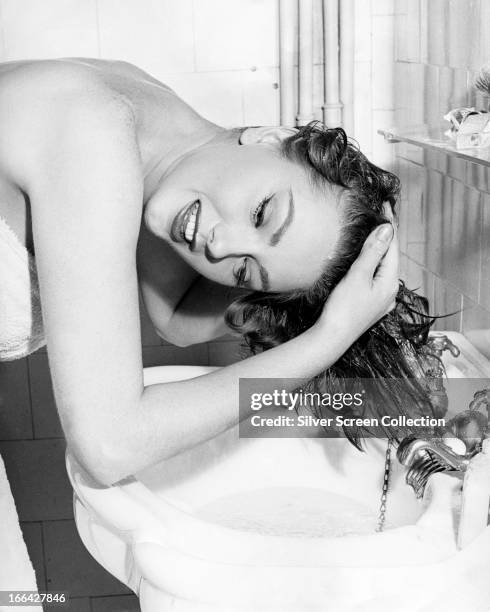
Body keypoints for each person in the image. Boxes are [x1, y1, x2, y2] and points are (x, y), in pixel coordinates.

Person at [0, 58, 429, 485]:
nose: (221, 246)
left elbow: (178, 320)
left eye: (244, 272)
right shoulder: (94, 136)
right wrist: (330, 338)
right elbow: (109, 446)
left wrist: (330, 291)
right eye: (262, 213)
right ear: (273, 137)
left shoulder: (154, 131)